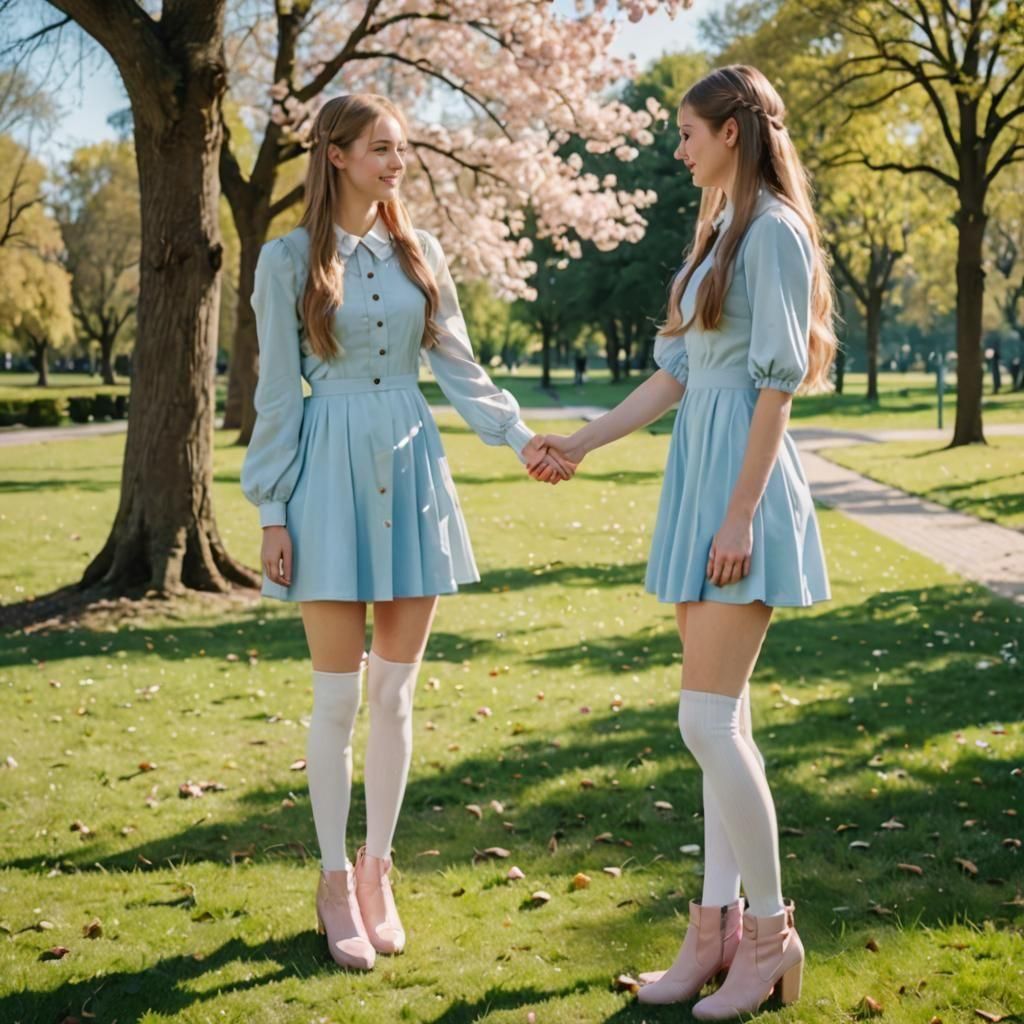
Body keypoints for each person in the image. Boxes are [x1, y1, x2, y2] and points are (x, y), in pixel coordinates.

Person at [240, 93, 571, 972]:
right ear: (338, 155)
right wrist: (270, 508)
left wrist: (516, 436)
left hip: (413, 467)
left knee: (395, 694)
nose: (398, 163)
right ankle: (333, 877)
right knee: (338, 698)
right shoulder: (285, 261)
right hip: (325, 477)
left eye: (403, 149)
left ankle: (380, 871)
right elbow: (278, 395)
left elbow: (460, 365)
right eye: (382, 148)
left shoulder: (420, 252)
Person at [538, 65, 835, 1019]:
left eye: (690, 134)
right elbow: (675, 378)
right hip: (698, 482)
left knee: (704, 723)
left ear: (734, 133)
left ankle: (770, 935)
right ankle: (712, 934)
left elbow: (777, 387)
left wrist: (742, 513)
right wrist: (580, 443)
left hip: (738, 491)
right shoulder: (717, 233)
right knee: (721, 728)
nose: (679, 150)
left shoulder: (776, 234)